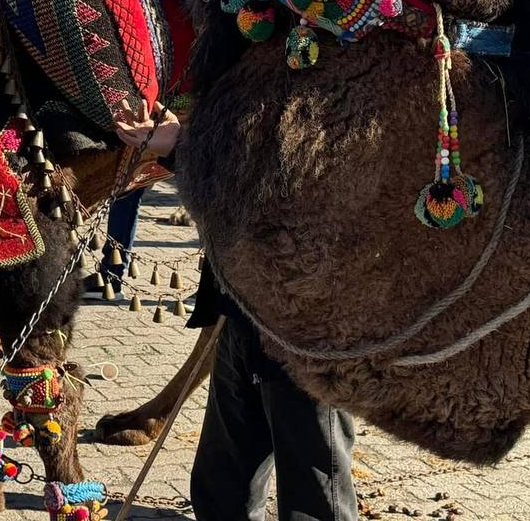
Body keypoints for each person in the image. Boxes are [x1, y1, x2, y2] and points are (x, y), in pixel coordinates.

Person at [114, 99, 360, 521]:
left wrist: (185, 147)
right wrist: (183, 144)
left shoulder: (338, 71)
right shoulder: (255, 58)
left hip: (305, 322)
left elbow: (300, 169)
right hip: (240, 307)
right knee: (221, 487)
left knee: (314, 497)